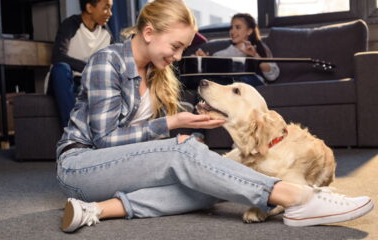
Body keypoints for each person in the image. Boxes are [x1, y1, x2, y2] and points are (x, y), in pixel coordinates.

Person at [56, 0, 373, 233]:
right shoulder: (106, 62)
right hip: (82, 166)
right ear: (149, 32)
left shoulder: (157, 74)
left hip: (114, 176)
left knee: (211, 186)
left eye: (184, 49)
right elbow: (104, 141)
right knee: (187, 153)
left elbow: (144, 145)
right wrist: (172, 126)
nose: (179, 57)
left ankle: (96, 210)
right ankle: (297, 198)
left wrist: (191, 129)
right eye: (177, 46)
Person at [48, 0, 114, 127]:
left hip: (86, 84)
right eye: (106, 8)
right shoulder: (70, 25)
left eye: (111, 9)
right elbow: (57, 57)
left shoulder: (106, 34)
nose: (110, 13)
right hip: (64, 80)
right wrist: (88, 67)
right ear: (89, 8)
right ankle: (73, 130)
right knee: (61, 68)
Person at [195, 13, 279, 87]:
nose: (232, 31)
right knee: (206, 82)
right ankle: (196, 105)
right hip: (227, 84)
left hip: (250, 83)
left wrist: (255, 55)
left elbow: (273, 75)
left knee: (240, 78)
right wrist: (204, 61)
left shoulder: (260, 47)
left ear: (249, 31)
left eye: (238, 27)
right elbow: (213, 73)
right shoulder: (222, 53)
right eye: (231, 28)